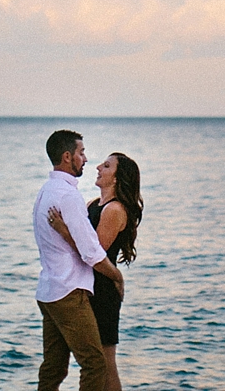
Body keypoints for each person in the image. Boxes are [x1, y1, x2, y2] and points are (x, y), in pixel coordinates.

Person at [32, 129, 124, 391]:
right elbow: (91, 252)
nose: (85, 159)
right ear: (67, 157)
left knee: (54, 367)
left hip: (49, 290)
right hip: (69, 291)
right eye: (81, 153)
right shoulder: (68, 195)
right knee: (95, 364)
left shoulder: (46, 190)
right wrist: (117, 276)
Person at [48, 151, 142, 391]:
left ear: (117, 179)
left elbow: (92, 253)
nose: (99, 167)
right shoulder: (92, 204)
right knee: (94, 361)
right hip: (88, 286)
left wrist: (62, 229)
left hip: (103, 290)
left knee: (105, 362)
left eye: (107, 166)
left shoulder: (114, 210)